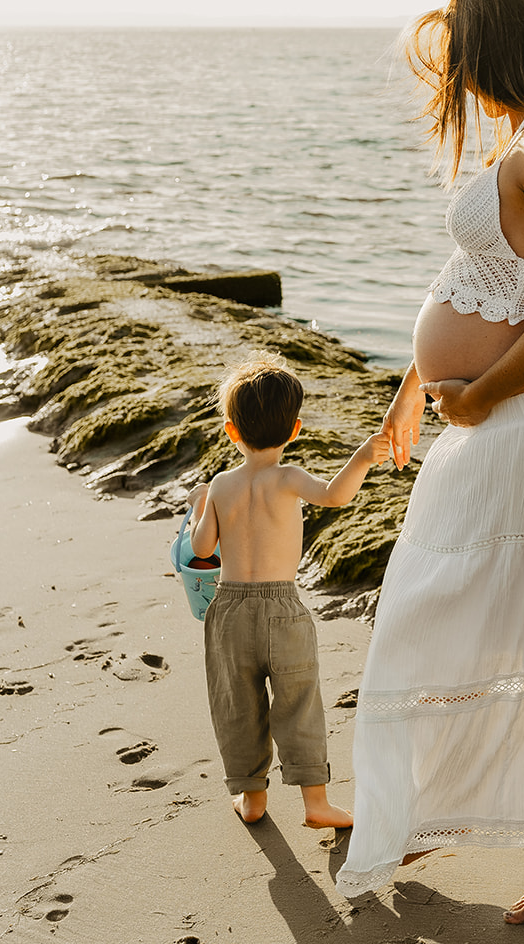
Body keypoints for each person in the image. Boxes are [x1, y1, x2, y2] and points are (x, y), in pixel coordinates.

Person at [337, 0, 524, 922]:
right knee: (484, 611)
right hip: (500, 418)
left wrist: (480, 395)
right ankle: (435, 803)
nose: (453, 77)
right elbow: (486, 279)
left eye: (457, 54)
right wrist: (413, 392)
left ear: (487, 46)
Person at [187, 353, 391, 828]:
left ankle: (252, 798)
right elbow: (336, 495)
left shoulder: (220, 484)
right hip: (284, 608)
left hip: (230, 610)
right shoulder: (289, 477)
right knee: (299, 702)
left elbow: (202, 549)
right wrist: (360, 457)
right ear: (295, 430)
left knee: (237, 704)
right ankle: (316, 804)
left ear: (231, 431)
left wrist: (200, 506)